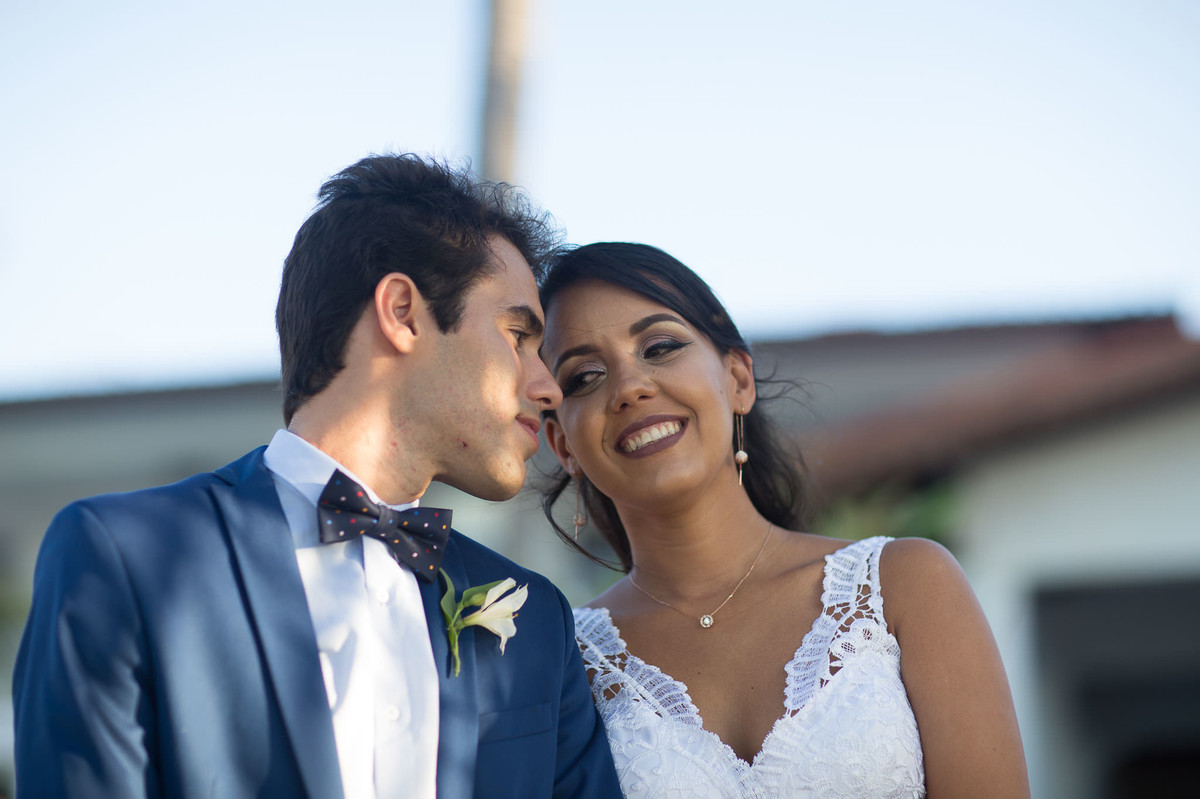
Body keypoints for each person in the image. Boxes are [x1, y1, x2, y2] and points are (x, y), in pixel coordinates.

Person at [13, 155, 622, 799]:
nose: (548, 387)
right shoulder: (126, 558)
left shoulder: (538, 621)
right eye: (519, 334)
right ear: (403, 312)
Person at [537, 242, 1030, 797]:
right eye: (583, 377)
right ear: (563, 445)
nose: (630, 387)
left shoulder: (906, 585)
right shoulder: (558, 663)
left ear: (738, 380)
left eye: (660, 346)